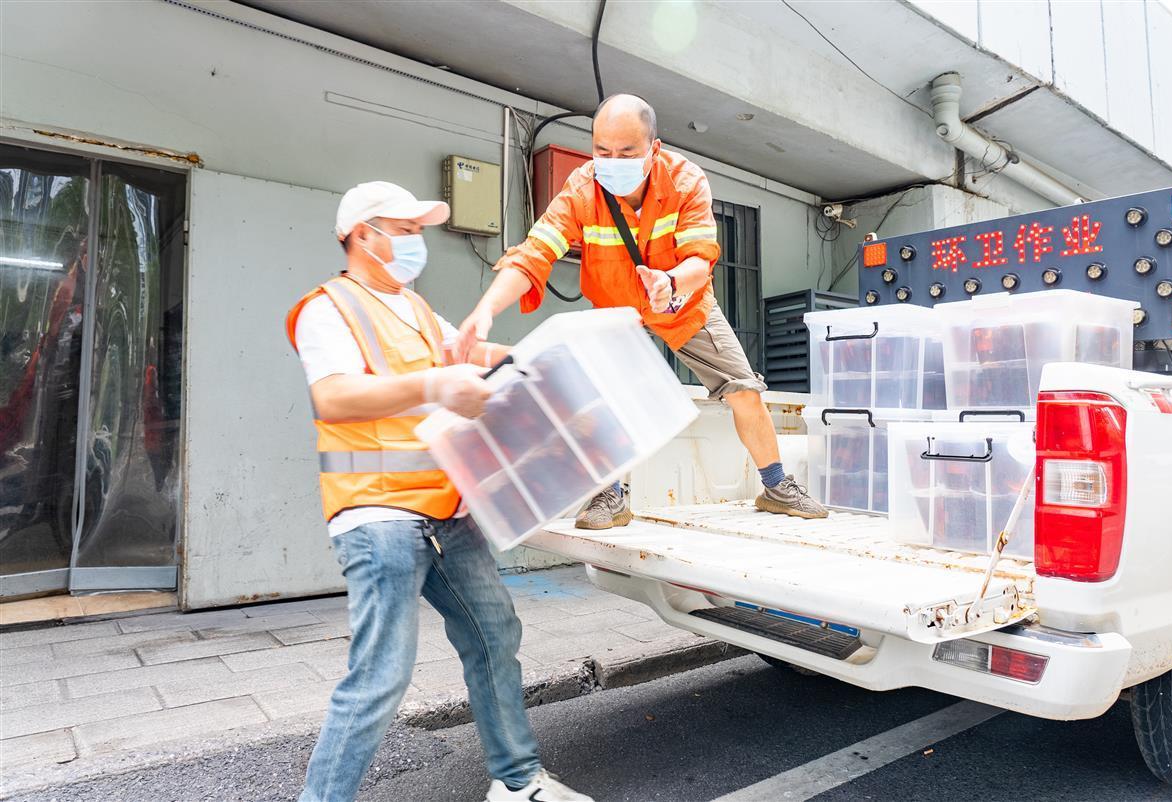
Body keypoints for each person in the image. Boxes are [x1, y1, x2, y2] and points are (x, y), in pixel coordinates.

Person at [285, 181, 592, 802]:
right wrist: (436, 387)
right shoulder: (328, 307)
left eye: (418, 230)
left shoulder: (418, 310)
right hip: (379, 517)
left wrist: (550, 355)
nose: (415, 242)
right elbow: (334, 397)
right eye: (404, 229)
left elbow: (472, 357)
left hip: (446, 514)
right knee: (380, 676)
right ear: (362, 235)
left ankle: (518, 783)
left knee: (494, 635)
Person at [456, 94, 829, 529]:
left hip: (681, 303)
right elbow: (534, 252)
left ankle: (776, 485)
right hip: (615, 309)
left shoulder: (685, 181)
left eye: (626, 152)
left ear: (653, 148)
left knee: (743, 388)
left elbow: (700, 255)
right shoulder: (582, 187)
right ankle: (609, 496)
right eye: (602, 151)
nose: (612, 161)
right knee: (594, 396)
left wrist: (671, 282)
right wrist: (485, 310)